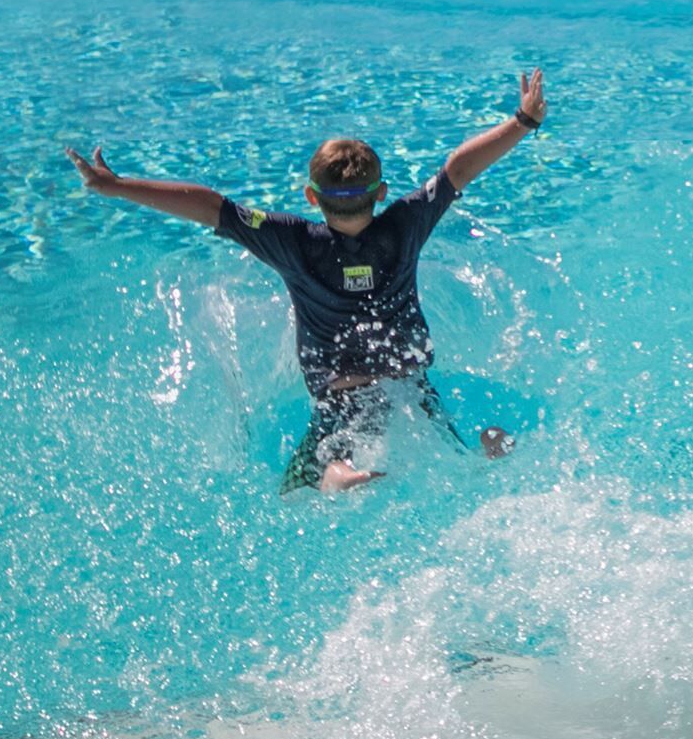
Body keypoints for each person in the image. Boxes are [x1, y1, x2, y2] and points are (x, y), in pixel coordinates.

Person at [66, 70, 549, 493]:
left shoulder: (291, 241)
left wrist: (117, 186)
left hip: (343, 390)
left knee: (300, 482)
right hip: (406, 377)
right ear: (380, 194)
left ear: (311, 198)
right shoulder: (405, 224)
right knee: (453, 452)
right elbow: (457, 170)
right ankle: (483, 449)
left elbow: (212, 206)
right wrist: (522, 122)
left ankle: (337, 471)